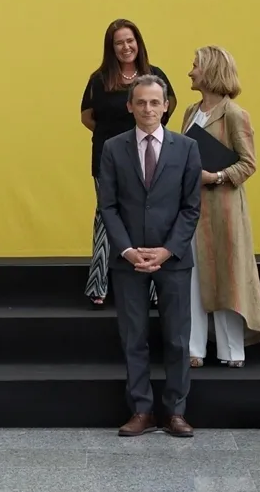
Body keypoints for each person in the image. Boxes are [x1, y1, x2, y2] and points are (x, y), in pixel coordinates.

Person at [98, 74, 201, 438]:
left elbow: (191, 207)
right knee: (134, 338)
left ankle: (175, 412)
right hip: (128, 260)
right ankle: (141, 410)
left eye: (155, 102)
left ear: (166, 106)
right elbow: (108, 206)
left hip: (173, 258)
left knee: (177, 339)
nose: (148, 109)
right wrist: (127, 250)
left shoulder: (186, 148)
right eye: (140, 102)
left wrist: (168, 250)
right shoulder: (113, 148)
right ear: (130, 106)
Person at [81, 19, 176, 308]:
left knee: (149, 218)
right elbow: (87, 117)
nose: (126, 47)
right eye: (119, 42)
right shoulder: (99, 79)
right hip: (108, 158)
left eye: (130, 40)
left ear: (138, 42)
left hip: (150, 157)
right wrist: (117, 140)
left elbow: (169, 105)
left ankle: (152, 287)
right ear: (111, 48)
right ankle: (98, 284)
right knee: (105, 217)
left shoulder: (155, 74)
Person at [182, 46, 260, 368]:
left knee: (227, 276)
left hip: (225, 209)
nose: (190, 71)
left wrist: (215, 176)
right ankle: (194, 349)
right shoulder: (190, 112)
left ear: (211, 70)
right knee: (192, 276)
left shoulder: (234, 114)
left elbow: (248, 163)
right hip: (193, 208)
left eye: (195, 65)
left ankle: (232, 351)